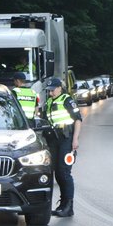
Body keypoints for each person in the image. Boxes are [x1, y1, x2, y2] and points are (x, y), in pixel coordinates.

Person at [43, 77, 82, 217]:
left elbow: (78, 119)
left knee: (64, 173)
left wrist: (75, 139)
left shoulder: (67, 100)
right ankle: (62, 204)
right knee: (55, 173)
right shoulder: (48, 102)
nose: (51, 93)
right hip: (53, 139)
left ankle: (68, 206)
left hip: (66, 138)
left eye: (53, 90)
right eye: (49, 91)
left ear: (60, 88)